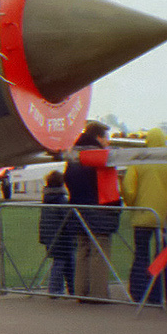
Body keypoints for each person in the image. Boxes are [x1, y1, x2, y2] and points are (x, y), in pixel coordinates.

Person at [122, 127, 167, 303]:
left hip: (142, 215)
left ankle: (138, 293)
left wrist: (133, 204)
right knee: (162, 256)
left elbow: (128, 189)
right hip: (166, 216)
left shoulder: (139, 160)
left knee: (140, 254)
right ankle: (161, 293)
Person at [63, 122, 121, 302]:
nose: (107, 142)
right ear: (98, 137)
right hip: (100, 210)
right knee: (99, 253)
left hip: (79, 210)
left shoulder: (73, 155)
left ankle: (81, 291)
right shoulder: (102, 157)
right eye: (106, 138)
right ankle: (98, 294)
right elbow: (110, 189)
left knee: (82, 251)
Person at [38, 169, 74, 296]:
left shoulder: (46, 199)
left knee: (65, 262)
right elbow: (67, 218)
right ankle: (54, 289)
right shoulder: (61, 201)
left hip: (50, 236)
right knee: (61, 263)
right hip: (61, 237)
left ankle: (71, 288)